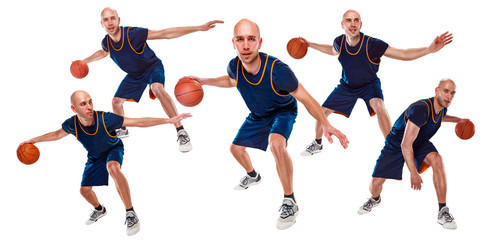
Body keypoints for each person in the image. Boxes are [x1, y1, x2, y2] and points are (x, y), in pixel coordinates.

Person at [184, 19, 349, 230]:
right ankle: (253, 175)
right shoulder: (234, 66)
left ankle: (290, 200)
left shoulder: (279, 71)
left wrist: (325, 124)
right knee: (235, 149)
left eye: (251, 39)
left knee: (276, 144)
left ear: (260, 42)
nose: (245, 45)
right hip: (258, 114)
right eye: (240, 39)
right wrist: (204, 81)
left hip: (283, 111)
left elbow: (306, 99)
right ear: (233, 43)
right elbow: (232, 80)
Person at [19, 90, 191, 236]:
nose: (89, 107)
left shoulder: (106, 119)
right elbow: (56, 135)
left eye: (90, 102)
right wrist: (32, 141)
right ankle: (100, 209)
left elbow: (137, 121)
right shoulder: (71, 124)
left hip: (113, 149)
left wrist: (168, 121)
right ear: (74, 108)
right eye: (83, 104)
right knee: (84, 191)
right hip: (94, 156)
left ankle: (130, 213)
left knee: (113, 168)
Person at [300, 9, 453, 156]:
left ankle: (392, 147)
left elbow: (403, 54)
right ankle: (318, 143)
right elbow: (332, 50)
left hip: (369, 85)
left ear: (361, 24)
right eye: (348, 20)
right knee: (322, 111)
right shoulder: (339, 42)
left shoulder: (372, 45)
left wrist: (429, 49)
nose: (352, 24)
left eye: (356, 20)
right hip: (347, 86)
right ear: (343, 25)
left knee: (379, 105)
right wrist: (309, 44)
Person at [81, 7, 222, 153]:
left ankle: (180, 131)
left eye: (112, 18)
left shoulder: (133, 34)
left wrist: (199, 28)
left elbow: (165, 34)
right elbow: (103, 52)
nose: (110, 22)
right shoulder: (106, 42)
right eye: (106, 19)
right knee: (116, 102)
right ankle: (121, 129)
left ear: (118, 20)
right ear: (101, 24)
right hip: (135, 75)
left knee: (157, 89)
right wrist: (84, 61)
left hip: (152, 67)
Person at [357, 79, 461, 229]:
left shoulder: (442, 107)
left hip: (419, 141)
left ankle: (443, 210)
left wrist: (458, 120)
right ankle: (374, 199)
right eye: (446, 91)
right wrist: (413, 173)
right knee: (375, 184)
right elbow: (405, 144)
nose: (449, 96)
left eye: (452, 93)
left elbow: (440, 118)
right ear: (436, 91)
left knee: (437, 159)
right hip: (397, 143)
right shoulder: (420, 109)